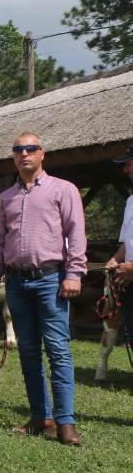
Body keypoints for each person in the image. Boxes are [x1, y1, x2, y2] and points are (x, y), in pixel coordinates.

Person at [0, 133, 87, 446]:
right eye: (18, 150)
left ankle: (66, 422)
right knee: (27, 351)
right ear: (14, 157)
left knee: (58, 350)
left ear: (42, 154)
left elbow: (76, 233)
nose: (24, 153)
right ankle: (41, 416)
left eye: (30, 149)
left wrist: (75, 274)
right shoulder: (7, 198)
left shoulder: (63, 190)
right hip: (15, 282)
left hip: (51, 279)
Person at [104, 144, 133, 353]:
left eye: (130, 164)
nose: (125, 170)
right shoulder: (131, 201)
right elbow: (126, 243)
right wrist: (116, 259)